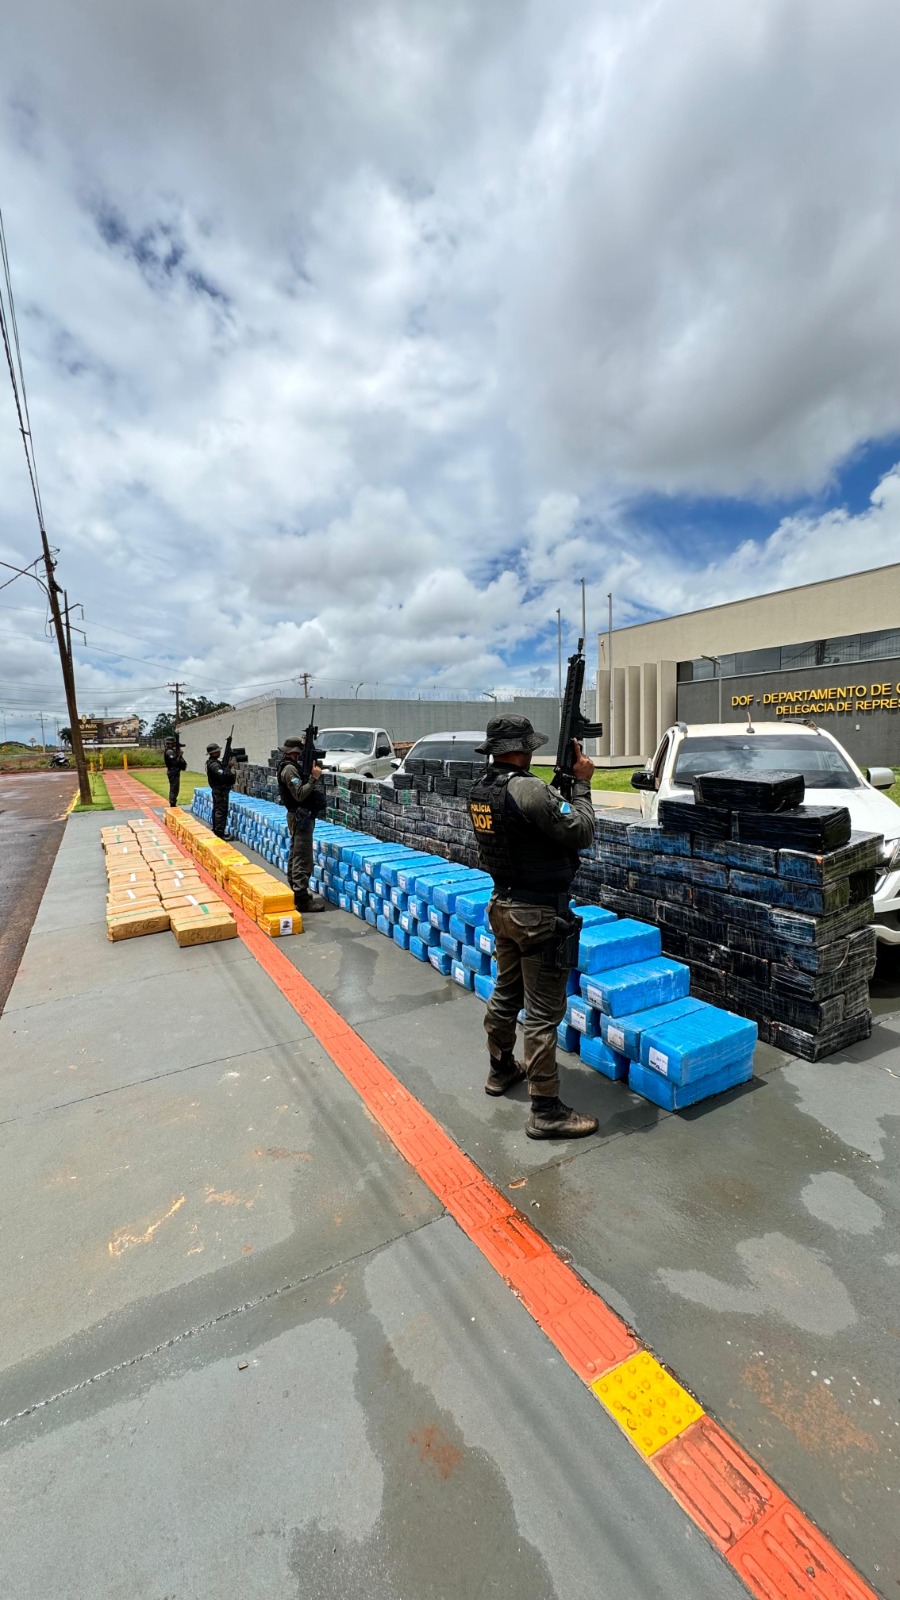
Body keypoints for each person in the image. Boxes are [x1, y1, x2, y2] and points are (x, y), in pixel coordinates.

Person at [468, 714, 599, 1140]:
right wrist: (581, 784)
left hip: (503, 906)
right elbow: (581, 832)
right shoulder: (529, 789)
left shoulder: (482, 789)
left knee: (506, 995)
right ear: (524, 749)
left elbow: (524, 833)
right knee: (543, 1014)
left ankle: (501, 1068)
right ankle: (546, 1108)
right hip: (538, 914)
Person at [277, 736, 327, 912]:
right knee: (302, 857)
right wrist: (313, 778)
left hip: (299, 816)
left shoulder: (290, 766)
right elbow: (299, 794)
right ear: (293, 753)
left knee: (296, 854)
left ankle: (298, 892)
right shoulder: (289, 770)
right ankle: (302, 899)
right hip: (301, 816)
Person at [206, 741, 235, 839]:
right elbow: (223, 776)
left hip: (219, 790)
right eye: (217, 751)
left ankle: (217, 830)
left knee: (218, 810)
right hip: (220, 790)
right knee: (221, 811)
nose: (219, 753)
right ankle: (219, 832)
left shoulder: (214, 763)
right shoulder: (214, 765)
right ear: (213, 753)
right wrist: (229, 767)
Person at [164, 736, 187, 808]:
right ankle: (172, 803)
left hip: (175, 772)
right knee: (174, 788)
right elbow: (175, 762)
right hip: (173, 772)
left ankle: (173, 802)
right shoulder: (169, 752)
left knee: (175, 788)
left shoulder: (171, 751)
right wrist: (179, 755)